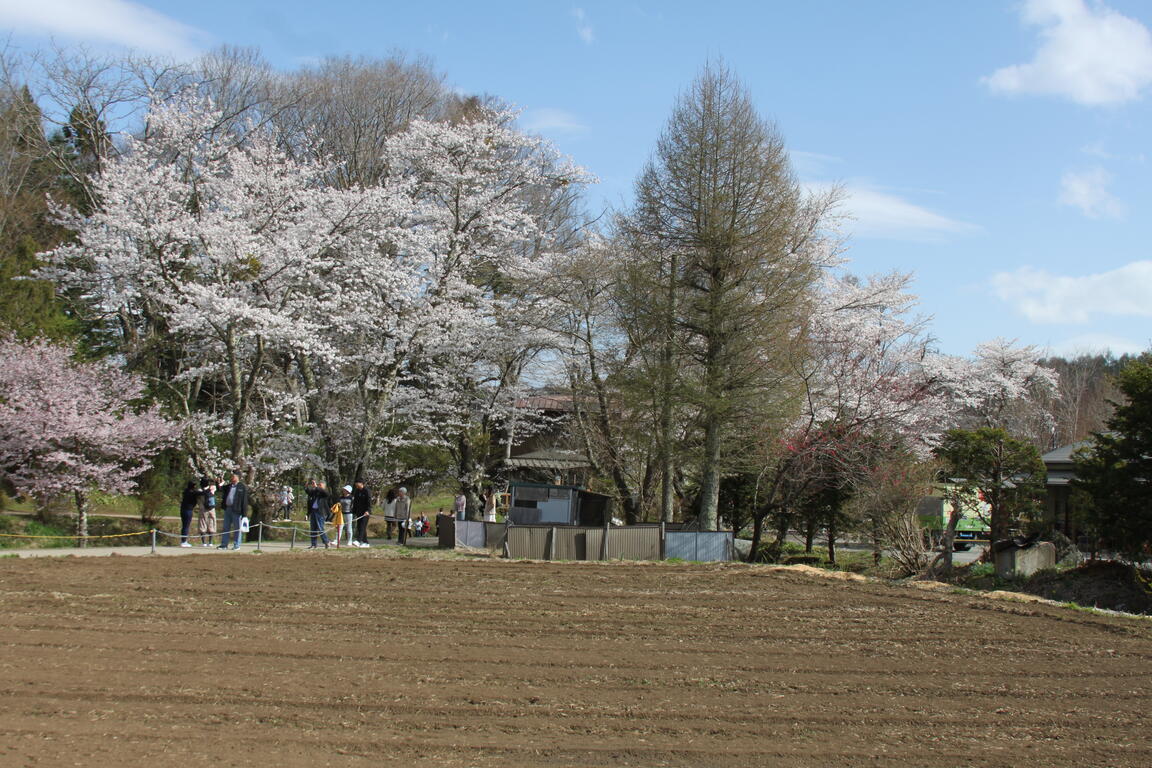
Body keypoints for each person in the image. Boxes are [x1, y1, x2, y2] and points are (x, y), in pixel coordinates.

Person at [218, 473, 248, 550]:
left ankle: (236, 545)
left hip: (237, 510)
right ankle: (224, 544)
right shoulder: (228, 486)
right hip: (228, 509)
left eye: (233, 476)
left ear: (237, 477)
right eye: (231, 476)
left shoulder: (242, 487)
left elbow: (244, 501)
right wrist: (219, 482)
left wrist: (244, 514)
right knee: (226, 527)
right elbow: (220, 489)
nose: (232, 478)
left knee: (237, 528)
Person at [305, 479, 331, 549]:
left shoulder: (324, 493)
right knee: (313, 528)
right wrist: (307, 486)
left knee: (320, 528)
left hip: (320, 512)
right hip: (313, 511)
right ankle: (313, 544)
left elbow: (325, 493)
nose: (319, 486)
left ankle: (326, 541)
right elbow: (309, 492)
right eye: (318, 485)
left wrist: (317, 487)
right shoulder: (316, 492)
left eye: (320, 485)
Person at [351, 480, 372, 548]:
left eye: (358, 483)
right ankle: (366, 542)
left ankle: (358, 540)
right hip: (359, 512)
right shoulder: (357, 491)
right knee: (360, 527)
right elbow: (355, 502)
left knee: (362, 526)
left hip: (365, 513)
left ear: (361, 483)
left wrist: (368, 510)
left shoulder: (367, 491)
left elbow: (369, 502)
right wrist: (354, 511)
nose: (356, 485)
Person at [179, 481, 200, 547]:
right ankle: (184, 541)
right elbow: (202, 493)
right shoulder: (192, 493)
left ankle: (183, 540)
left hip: (183, 509)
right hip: (188, 510)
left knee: (184, 526)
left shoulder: (186, 491)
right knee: (186, 526)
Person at [198, 481, 217, 547]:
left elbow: (199, 494)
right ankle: (210, 542)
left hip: (203, 509)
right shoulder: (213, 488)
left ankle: (204, 543)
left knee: (202, 524)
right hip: (211, 509)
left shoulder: (199, 490)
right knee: (211, 523)